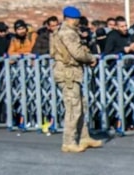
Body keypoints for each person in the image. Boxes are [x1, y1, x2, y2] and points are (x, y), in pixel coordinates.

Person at [49, 6, 100, 153]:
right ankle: (69, 142)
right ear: (71, 19)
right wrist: (91, 58)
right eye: (77, 19)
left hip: (70, 71)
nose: (78, 22)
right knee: (73, 108)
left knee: (80, 105)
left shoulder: (62, 31)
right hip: (68, 72)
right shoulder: (68, 33)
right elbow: (77, 53)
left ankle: (84, 137)